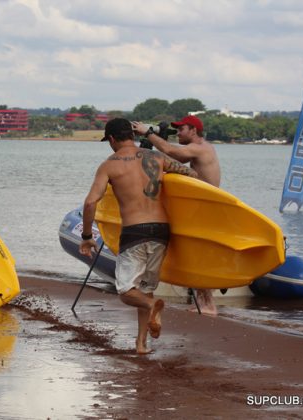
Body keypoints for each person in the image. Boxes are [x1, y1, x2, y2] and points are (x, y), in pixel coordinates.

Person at [79, 118, 198, 354]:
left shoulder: (109, 165)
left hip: (135, 232)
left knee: (126, 291)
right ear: (131, 135)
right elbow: (191, 175)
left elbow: (91, 201)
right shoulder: (156, 158)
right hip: (162, 232)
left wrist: (86, 235)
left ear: (112, 139)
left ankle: (153, 306)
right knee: (145, 289)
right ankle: (141, 344)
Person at [132, 115, 221, 316]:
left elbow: (173, 153)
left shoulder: (201, 149)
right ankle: (203, 302)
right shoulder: (202, 148)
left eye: (181, 129)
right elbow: (176, 160)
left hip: (205, 210)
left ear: (193, 131)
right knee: (195, 256)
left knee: (198, 258)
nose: (178, 133)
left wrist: (148, 133)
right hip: (202, 209)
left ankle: (208, 305)